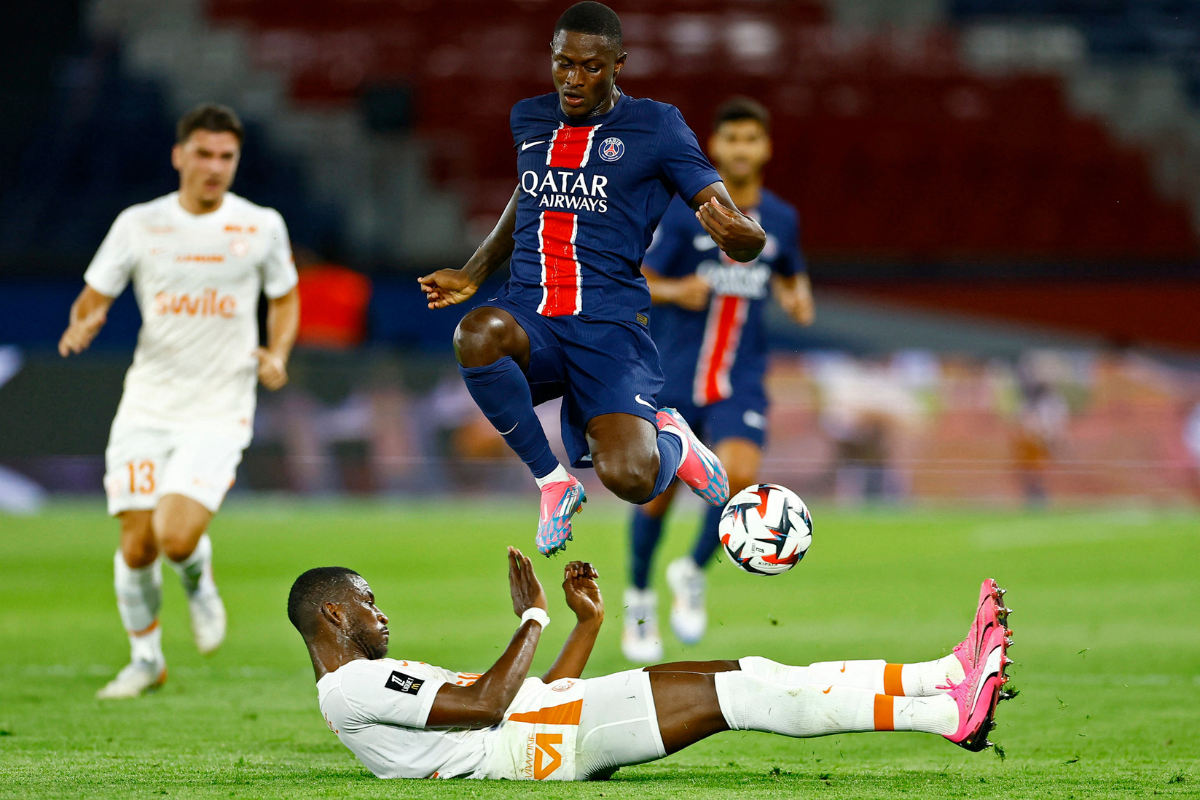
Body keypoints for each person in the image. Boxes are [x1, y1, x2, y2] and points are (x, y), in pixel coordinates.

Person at [418, 1, 768, 555]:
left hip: (608, 325)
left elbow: (726, 213)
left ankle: (671, 436)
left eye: (590, 67)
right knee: (476, 334)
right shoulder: (529, 119)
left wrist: (747, 239)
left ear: (617, 65)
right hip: (534, 313)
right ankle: (553, 482)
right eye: (563, 64)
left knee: (631, 479)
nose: (573, 78)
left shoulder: (657, 126)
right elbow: (527, 198)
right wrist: (473, 271)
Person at [288, 553, 1013, 782]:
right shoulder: (349, 685)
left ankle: (940, 674)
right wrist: (533, 617)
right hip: (540, 747)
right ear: (332, 616)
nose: (381, 615)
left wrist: (586, 624)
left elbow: (514, 691)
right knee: (747, 693)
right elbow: (485, 708)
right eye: (367, 605)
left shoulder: (358, 685)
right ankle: (948, 713)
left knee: (753, 667)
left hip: (547, 721)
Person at [59, 104, 300, 698]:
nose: (215, 167)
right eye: (204, 154)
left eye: (226, 157)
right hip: (147, 402)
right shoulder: (140, 224)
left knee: (175, 536)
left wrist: (277, 351)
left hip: (220, 406)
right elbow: (94, 296)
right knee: (136, 543)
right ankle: (146, 661)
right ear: (179, 155)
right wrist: (85, 323)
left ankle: (198, 581)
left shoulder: (260, 224)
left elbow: (286, 297)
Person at [622, 97, 816, 661]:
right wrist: (676, 290)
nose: (740, 149)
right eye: (730, 139)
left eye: (750, 139)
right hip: (673, 377)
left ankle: (692, 570)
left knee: (738, 481)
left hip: (740, 379)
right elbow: (635, 276)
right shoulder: (685, 214)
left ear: (766, 148)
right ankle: (638, 599)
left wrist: (797, 297)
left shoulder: (780, 218)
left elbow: (791, 273)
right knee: (655, 500)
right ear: (715, 147)